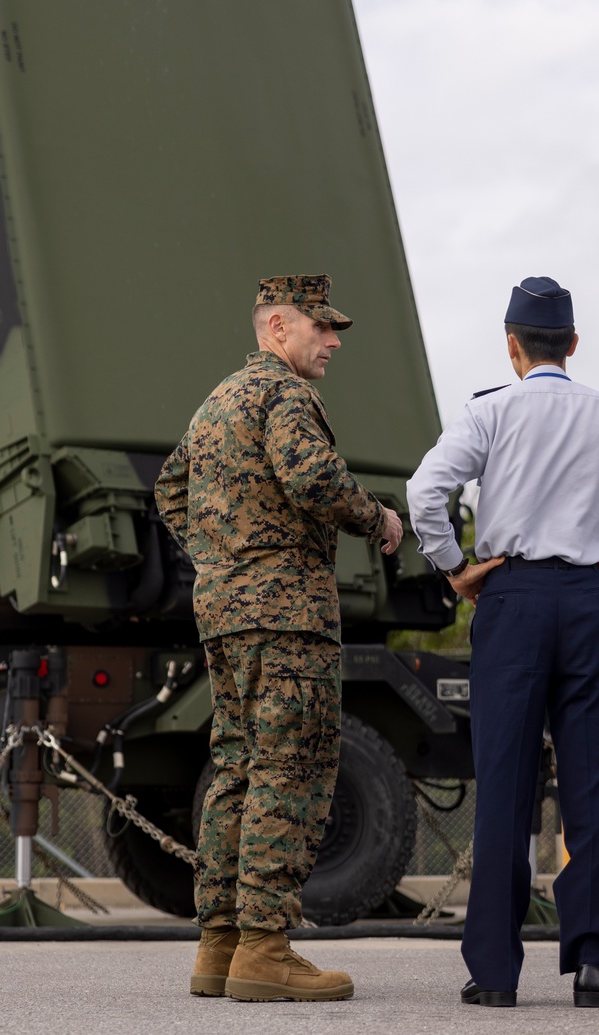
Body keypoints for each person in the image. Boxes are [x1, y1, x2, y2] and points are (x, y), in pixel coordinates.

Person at [406, 276, 599, 1009]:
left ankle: (494, 974)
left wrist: (455, 568)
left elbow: (424, 493)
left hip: (509, 598)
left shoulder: (490, 412)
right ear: (572, 344)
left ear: (512, 346)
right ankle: (595, 966)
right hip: (586, 601)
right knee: (589, 784)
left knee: (505, 788)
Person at [155, 274, 403, 1003]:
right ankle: (266, 948)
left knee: (234, 765)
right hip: (287, 612)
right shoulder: (286, 396)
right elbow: (315, 478)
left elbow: (172, 488)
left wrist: (222, 553)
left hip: (224, 611)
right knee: (288, 767)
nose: (331, 342)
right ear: (276, 327)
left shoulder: (216, 402)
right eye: (319, 328)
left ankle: (220, 942)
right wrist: (377, 518)